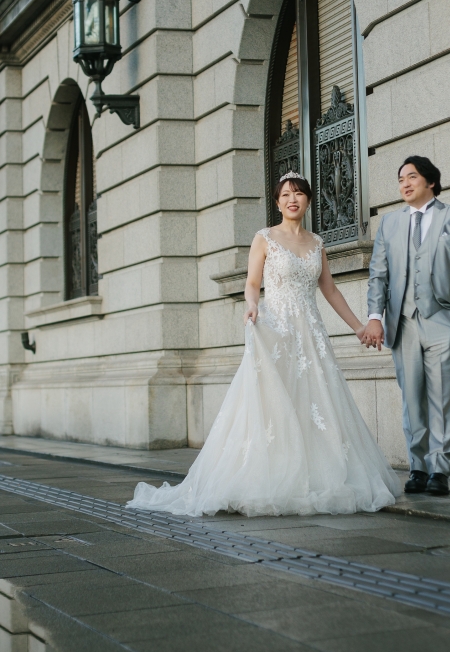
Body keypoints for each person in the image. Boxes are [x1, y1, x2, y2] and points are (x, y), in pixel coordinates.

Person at [128, 172, 401, 517]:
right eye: (286, 194)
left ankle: (318, 475)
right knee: (274, 406)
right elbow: (252, 283)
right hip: (276, 329)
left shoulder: (317, 243)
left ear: (308, 200)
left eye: (299, 194)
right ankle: (267, 476)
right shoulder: (264, 238)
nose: (292, 199)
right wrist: (251, 304)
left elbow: (329, 290)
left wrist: (359, 327)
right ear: (277, 202)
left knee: (316, 403)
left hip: (310, 333)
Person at [362, 156, 450, 497]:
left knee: (443, 399)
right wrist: (375, 316)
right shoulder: (389, 224)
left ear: (430, 181)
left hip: (443, 322)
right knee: (412, 400)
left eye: (411, 176)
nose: (404, 183)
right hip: (403, 323)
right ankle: (417, 468)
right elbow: (379, 275)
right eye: (400, 178)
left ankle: (439, 471)